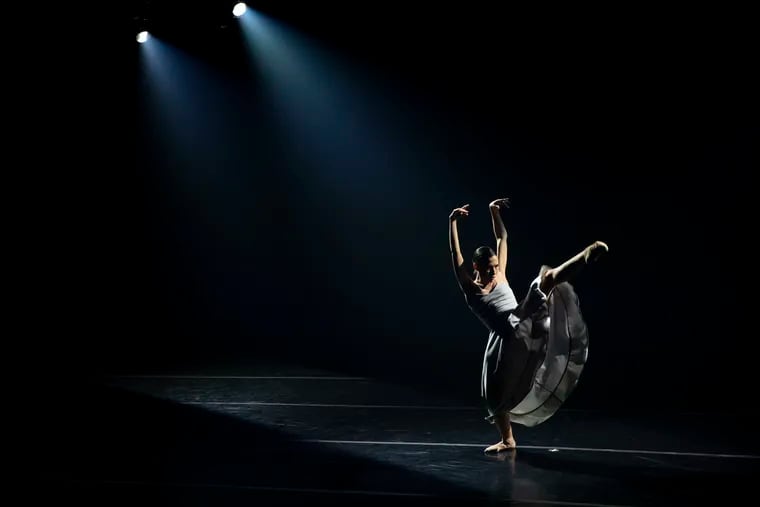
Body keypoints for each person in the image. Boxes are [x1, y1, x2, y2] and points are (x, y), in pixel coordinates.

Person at [448, 198, 608, 453]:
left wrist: (493, 211)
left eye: (496, 267)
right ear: (476, 267)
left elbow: (502, 237)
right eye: (488, 269)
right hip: (506, 340)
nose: (494, 272)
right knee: (494, 397)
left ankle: (586, 255)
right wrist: (452, 223)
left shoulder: (500, 274)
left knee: (546, 280)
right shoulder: (470, 289)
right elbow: (455, 256)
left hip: (523, 319)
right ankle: (508, 440)